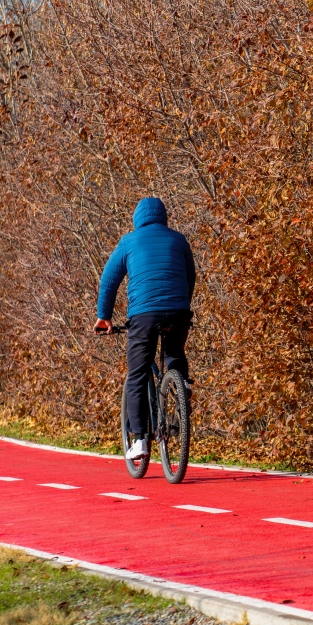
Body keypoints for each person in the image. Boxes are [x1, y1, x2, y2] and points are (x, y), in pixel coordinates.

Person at [95, 197, 196, 462]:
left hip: (144, 315)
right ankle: (181, 384)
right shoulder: (179, 240)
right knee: (174, 351)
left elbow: (109, 280)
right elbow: (190, 275)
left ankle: (140, 439)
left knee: (138, 374)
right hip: (178, 311)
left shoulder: (129, 242)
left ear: (137, 219)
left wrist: (104, 317)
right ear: (164, 217)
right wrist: (182, 304)